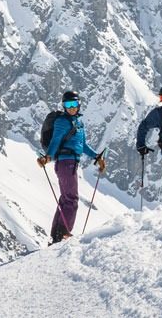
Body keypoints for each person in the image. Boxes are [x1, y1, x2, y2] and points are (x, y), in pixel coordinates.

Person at [38, 91, 106, 244]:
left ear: (79, 104)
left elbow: (82, 146)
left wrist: (96, 156)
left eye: (74, 104)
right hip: (65, 163)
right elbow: (55, 141)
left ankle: (56, 235)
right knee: (71, 199)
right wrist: (47, 157)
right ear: (63, 106)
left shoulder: (79, 123)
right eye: (68, 105)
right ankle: (62, 234)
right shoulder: (62, 122)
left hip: (72, 163)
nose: (72, 108)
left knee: (65, 199)